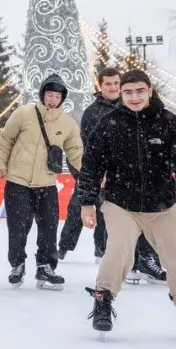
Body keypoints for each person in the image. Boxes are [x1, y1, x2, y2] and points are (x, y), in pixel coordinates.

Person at [79, 70, 176, 336]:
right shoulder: (108, 124)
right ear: (120, 94)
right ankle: (103, 299)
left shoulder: (169, 121)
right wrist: (87, 202)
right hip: (121, 203)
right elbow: (90, 165)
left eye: (140, 91)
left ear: (149, 91)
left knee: (175, 253)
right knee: (119, 247)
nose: (134, 97)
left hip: (163, 204)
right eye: (128, 92)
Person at [0, 74, 82, 291]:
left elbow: (76, 152)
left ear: (62, 98)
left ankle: (45, 266)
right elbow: (6, 139)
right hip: (18, 181)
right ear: (43, 94)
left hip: (46, 183)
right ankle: (17, 265)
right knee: (18, 227)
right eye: (49, 94)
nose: (53, 99)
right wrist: (0, 163)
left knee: (49, 227)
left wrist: (92, 173)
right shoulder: (24, 114)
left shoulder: (67, 123)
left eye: (57, 96)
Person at [58, 68, 116, 263]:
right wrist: (85, 174)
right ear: (101, 86)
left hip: (117, 174)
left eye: (116, 83)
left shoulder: (126, 108)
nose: (113, 87)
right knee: (77, 209)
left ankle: (101, 250)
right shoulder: (93, 112)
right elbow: (83, 146)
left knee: (106, 214)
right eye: (108, 84)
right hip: (92, 172)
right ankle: (64, 246)